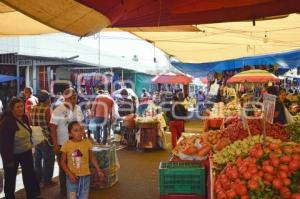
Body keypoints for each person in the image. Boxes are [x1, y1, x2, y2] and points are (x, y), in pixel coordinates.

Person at [0, 97, 40, 199]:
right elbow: (4, 143)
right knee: (10, 179)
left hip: (26, 152)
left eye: (22, 106)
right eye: (18, 107)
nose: (21, 108)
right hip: (11, 155)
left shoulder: (25, 117)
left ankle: (32, 196)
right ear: (12, 109)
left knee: (29, 176)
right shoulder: (7, 122)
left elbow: (29, 132)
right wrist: (8, 160)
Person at [50, 88, 84, 196]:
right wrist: (55, 144)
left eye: (74, 95)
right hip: (62, 144)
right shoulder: (58, 110)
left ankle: (75, 189)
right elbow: (52, 128)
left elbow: (81, 124)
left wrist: (85, 137)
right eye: (70, 96)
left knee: (76, 165)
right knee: (63, 168)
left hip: (76, 143)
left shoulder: (78, 108)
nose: (73, 97)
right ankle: (64, 191)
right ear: (65, 98)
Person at [60, 121, 104, 199]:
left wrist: (98, 169)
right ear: (70, 134)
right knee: (72, 197)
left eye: (81, 129)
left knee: (83, 197)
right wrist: (69, 173)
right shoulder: (66, 144)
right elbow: (62, 162)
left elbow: (92, 157)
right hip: (72, 178)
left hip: (85, 177)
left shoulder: (87, 143)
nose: (79, 132)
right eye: (76, 130)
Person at [30, 90, 56, 188]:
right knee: (48, 160)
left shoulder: (33, 108)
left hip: (36, 138)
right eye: (49, 98)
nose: (50, 100)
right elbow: (51, 126)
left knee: (37, 160)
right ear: (46, 99)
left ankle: (38, 179)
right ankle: (47, 181)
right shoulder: (47, 109)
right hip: (46, 139)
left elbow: (31, 123)